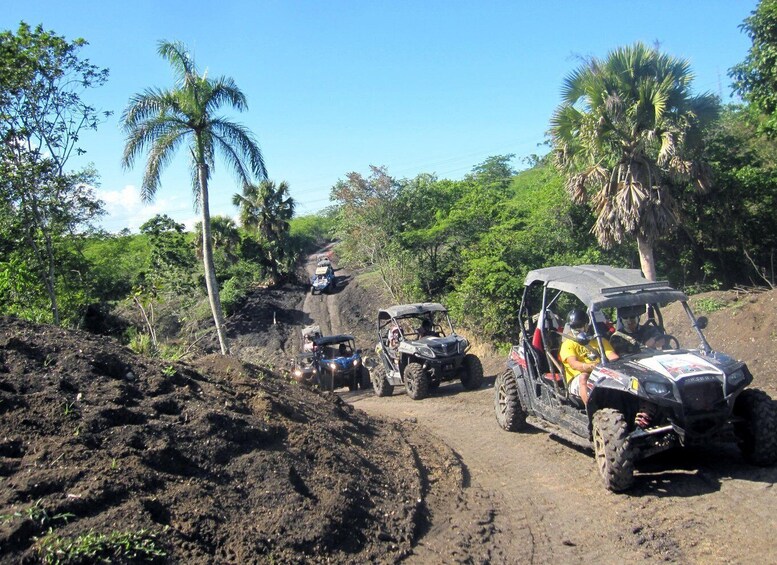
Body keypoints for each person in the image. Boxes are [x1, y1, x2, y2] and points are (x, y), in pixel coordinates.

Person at [559, 308, 619, 405]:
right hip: (578, 380)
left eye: (579, 326)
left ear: (587, 325)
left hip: (601, 375)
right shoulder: (568, 344)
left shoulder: (600, 341)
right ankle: (592, 410)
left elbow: (614, 358)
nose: (576, 329)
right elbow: (574, 364)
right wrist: (592, 366)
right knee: (584, 376)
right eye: (573, 326)